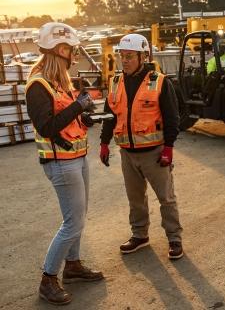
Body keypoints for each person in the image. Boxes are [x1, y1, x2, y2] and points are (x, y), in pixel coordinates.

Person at [25, 22, 104, 306]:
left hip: (76, 158)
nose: (74, 56)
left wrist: (83, 117)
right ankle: (48, 279)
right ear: (61, 50)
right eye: (71, 51)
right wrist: (77, 107)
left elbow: (66, 121)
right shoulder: (38, 85)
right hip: (60, 162)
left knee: (78, 217)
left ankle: (73, 266)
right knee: (72, 222)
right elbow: (46, 127)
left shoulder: (60, 82)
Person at [99, 33, 183, 260]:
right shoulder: (115, 82)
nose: (124, 60)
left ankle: (174, 238)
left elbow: (173, 118)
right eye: (122, 56)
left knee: (166, 198)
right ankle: (140, 235)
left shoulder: (159, 82)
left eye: (129, 56)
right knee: (135, 199)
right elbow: (110, 116)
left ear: (143, 56)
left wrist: (168, 149)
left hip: (154, 153)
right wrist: (104, 143)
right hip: (127, 154)